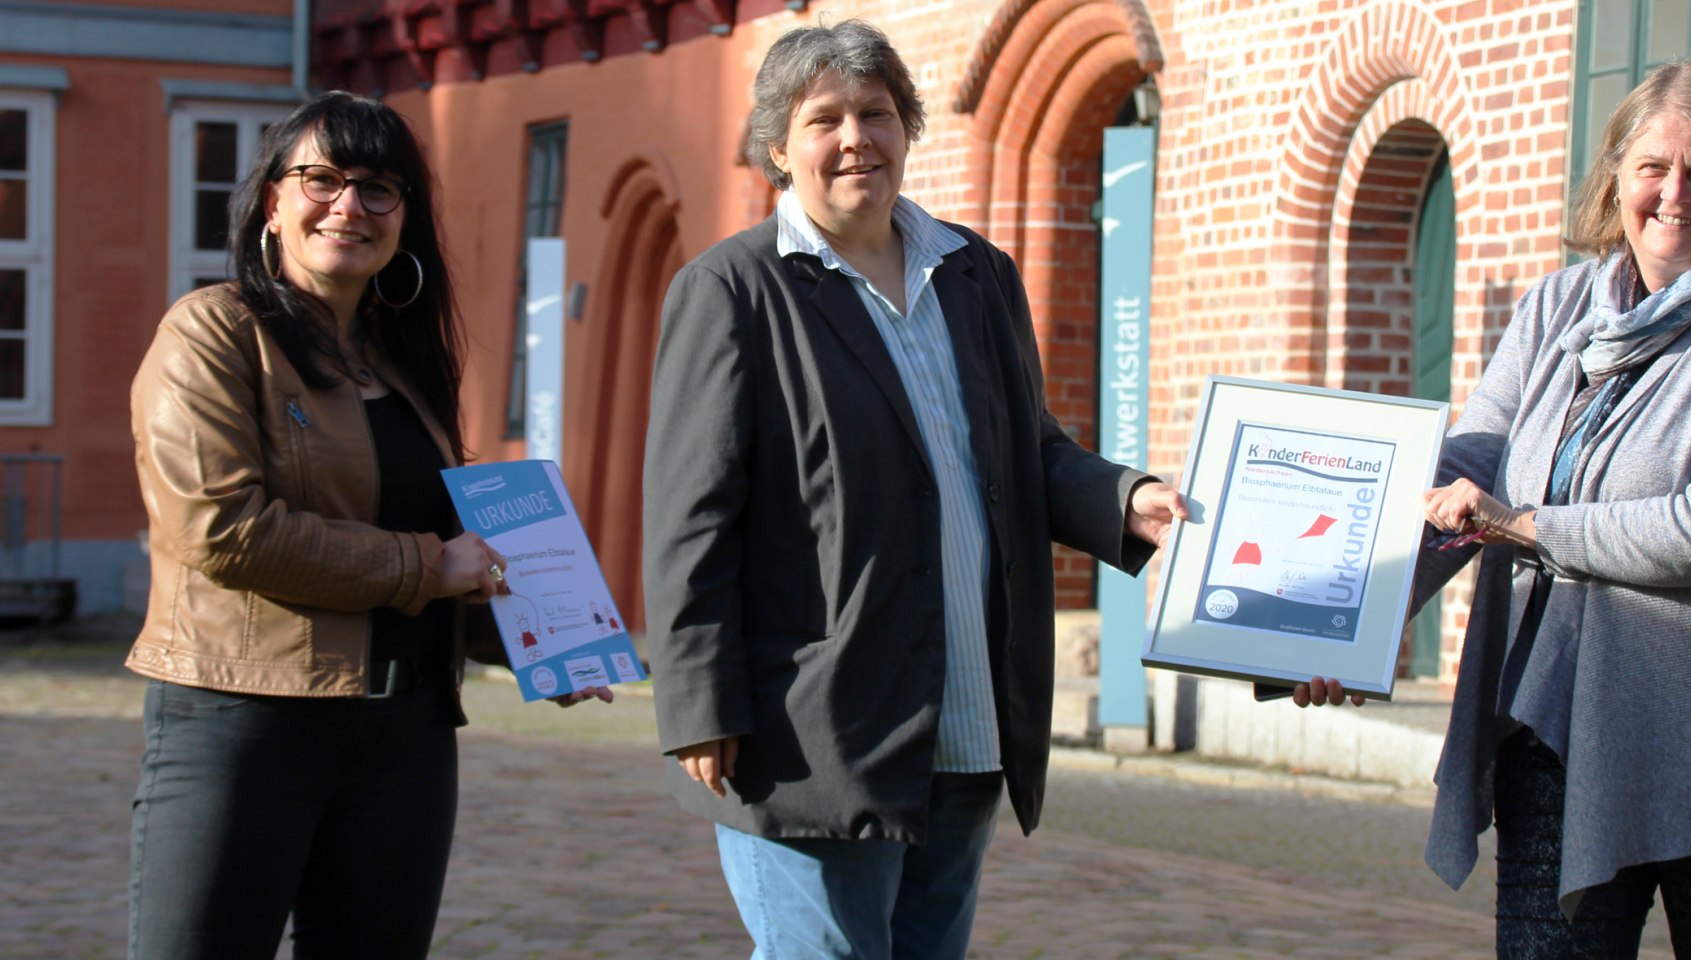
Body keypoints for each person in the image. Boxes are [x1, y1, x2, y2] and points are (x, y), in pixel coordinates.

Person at [642, 19, 1186, 959]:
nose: (856, 137)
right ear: (778, 146)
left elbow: (1028, 449)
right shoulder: (732, 291)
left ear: (907, 129)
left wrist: (1126, 499)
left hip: (966, 716)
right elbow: (691, 517)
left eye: (877, 113)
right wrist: (700, 705)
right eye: (825, 119)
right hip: (814, 728)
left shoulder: (976, 273)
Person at [1306, 59, 1691, 957]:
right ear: (1615, 176)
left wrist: (1522, 527)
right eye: (1653, 166)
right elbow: (1473, 467)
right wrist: (1339, 623)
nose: (1675, 193)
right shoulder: (1555, 307)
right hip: (1560, 730)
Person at [125, 92, 605, 960]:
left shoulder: (405, 366)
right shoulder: (212, 333)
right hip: (248, 722)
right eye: (322, 178)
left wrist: (544, 642)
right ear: (272, 202)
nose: (349, 205)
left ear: (404, 222)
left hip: (405, 740)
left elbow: (458, 551)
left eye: (379, 188)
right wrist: (429, 567)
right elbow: (223, 530)